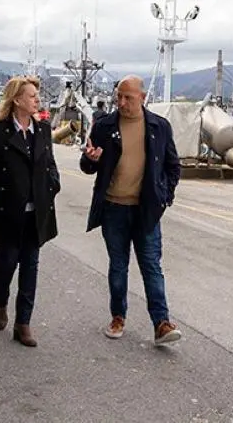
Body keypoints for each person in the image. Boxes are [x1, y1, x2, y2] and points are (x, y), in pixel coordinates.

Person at [79, 75, 183, 345]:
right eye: (119, 97)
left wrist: (165, 197)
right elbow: (87, 166)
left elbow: (173, 166)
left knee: (151, 266)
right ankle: (118, 316)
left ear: (142, 97)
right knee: (118, 266)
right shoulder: (104, 125)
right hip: (114, 208)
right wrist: (91, 159)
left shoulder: (159, 127)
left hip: (146, 210)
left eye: (128, 97)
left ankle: (161, 323)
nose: (122, 102)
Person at [0, 77, 59, 347]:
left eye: (37, 96)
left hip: (37, 212)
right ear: (17, 100)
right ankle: (1, 302)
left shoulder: (43, 130)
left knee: (31, 266)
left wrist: (54, 184)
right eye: (32, 96)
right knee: (8, 262)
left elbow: (50, 163)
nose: (37, 100)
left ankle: (24, 323)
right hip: (8, 211)